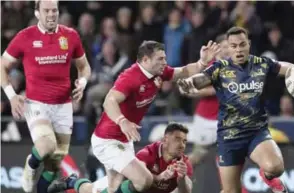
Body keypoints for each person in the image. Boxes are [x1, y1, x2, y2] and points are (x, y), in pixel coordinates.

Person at [47, 40, 218, 193]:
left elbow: (183, 71)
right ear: (145, 60)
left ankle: (73, 182)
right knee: (144, 180)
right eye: (160, 59)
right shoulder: (130, 77)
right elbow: (109, 101)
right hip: (107, 140)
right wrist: (123, 121)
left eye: (164, 58)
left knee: (113, 188)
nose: (164, 62)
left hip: (123, 140)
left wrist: (202, 62)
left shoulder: (158, 72)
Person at [177, 27, 294, 193]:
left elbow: (288, 67)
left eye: (242, 44)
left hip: (256, 132)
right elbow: (200, 80)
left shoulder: (261, 64)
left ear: (249, 45)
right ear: (228, 48)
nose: (238, 49)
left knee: (276, 167)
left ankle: (268, 175)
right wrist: (188, 83)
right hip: (229, 136)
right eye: (234, 46)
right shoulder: (219, 67)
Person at [0, 0, 91, 193]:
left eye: (54, 10)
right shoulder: (25, 37)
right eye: (46, 11)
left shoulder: (70, 36)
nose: (51, 14)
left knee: (53, 164)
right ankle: (30, 165)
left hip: (63, 106)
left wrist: (82, 83)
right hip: (36, 104)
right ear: (37, 13)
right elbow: (2, 65)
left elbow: (84, 67)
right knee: (46, 145)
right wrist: (12, 95)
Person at [48, 123, 193, 193]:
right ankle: (72, 181)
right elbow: (136, 179)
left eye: (185, 141)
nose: (182, 145)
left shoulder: (183, 162)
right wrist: (160, 177)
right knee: (89, 191)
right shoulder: (148, 153)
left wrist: (182, 179)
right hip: (122, 183)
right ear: (165, 139)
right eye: (177, 139)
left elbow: (186, 191)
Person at [183, 34, 230, 166]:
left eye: (229, 46)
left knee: (229, 157)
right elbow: (188, 89)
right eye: (224, 46)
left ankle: (230, 186)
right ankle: (174, 179)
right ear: (218, 48)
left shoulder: (234, 67)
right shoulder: (209, 66)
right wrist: (213, 90)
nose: (227, 50)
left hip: (225, 121)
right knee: (197, 156)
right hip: (206, 119)